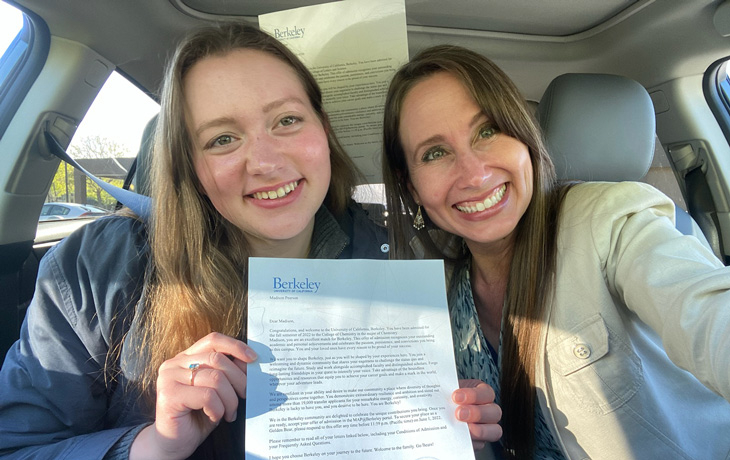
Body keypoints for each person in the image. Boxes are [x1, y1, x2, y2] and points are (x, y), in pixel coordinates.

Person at [381, 44, 730, 460]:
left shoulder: (611, 222)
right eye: (435, 153)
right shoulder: (435, 284)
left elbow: (707, 313)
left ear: (524, 139)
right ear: (410, 187)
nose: (473, 174)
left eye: (487, 130)